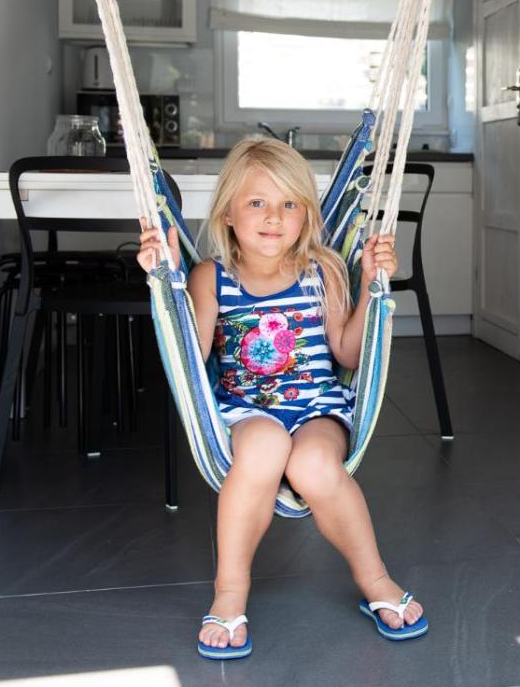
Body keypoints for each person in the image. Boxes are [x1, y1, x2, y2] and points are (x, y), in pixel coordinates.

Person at [136, 137, 426, 659]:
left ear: (307, 214)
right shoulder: (210, 278)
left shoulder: (324, 270)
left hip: (318, 408)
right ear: (228, 214)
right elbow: (191, 358)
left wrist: (371, 286)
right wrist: (169, 281)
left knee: (315, 464)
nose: (274, 217)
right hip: (246, 412)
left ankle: (376, 579)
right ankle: (230, 592)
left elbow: (348, 353)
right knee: (265, 448)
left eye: (290, 203)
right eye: (257, 203)